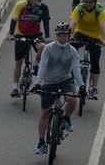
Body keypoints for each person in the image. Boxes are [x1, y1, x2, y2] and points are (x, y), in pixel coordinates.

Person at [31, 22, 86, 154]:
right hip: (48, 82)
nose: (61, 38)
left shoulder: (72, 51)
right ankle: (41, 142)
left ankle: (66, 118)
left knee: (72, 99)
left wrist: (82, 86)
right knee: (44, 113)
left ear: (69, 36)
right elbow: (43, 65)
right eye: (59, 35)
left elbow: (76, 69)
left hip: (65, 80)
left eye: (64, 35)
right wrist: (38, 83)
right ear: (56, 36)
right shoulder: (49, 48)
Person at [6, 0, 51, 97]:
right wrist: (11, 34)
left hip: (36, 34)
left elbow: (46, 22)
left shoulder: (43, 8)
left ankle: (36, 65)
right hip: (21, 35)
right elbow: (14, 19)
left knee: (43, 47)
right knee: (19, 62)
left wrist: (47, 36)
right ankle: (15, 87)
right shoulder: (21, 5)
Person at [69, 0, 105, 100]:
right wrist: (68, 36)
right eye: (86, 1)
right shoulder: (79, 8)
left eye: (91, 2)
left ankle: (94, 88)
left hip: (95, 35)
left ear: (95, 2)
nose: (88, 4)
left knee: (95, 62)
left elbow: (103, 25)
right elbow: (73, 23)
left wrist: (104, 39)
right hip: (80, 32)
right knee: (71, 47)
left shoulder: (99, 10)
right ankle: (72, 71)